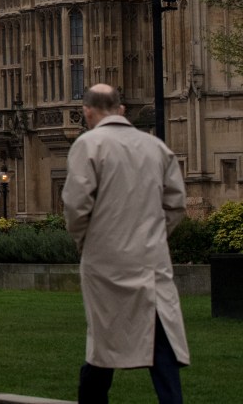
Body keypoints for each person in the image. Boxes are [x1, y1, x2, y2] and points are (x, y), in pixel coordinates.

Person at [63, 83, 189, 404]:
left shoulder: (88, 145)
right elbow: (175, 204)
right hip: (151, 262)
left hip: (107, 264)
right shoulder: (155, 147)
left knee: (105, 345)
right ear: (121, 109)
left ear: (87, 112)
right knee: (160, 346)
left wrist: (87, 243)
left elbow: (77, 208)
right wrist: (154, 236)